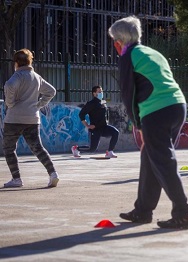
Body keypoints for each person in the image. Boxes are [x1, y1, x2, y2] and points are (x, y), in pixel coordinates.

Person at [108, 16, 188, 229]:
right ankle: (142, 211)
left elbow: (128, 93)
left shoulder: (128, 56)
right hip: (177, 106)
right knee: (150, 157)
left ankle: (183, 213)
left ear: (118, 41)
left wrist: (137, 124)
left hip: (156, 111)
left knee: (163, 161)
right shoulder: (153, 53)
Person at [3, 48, 59, 188]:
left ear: (16, 62)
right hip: (32, 118)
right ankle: (53, 174)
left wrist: (10, 103)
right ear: (30, 61)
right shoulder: (36, 77)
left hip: (14, 119)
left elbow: (9, 85)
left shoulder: (17, 76)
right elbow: (51, 91)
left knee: (9, 149)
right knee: (38, 148)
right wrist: (39, 105)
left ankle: (16, 179)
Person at [71, 85, 119, 158]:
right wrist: (87, 125)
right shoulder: (91, 103)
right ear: (94, 93)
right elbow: (81, 114)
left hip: (104, 127)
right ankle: (76, 148)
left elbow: (106, 114)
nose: (101, 93)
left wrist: (107, 122)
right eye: (99, 92)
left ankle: (110, 152)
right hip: (95, 129)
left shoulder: (103, 102)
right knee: (92, 149)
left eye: (101, 91)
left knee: (115, 132)